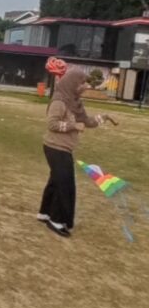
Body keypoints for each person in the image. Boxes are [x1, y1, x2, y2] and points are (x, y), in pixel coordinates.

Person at [39, 62, 114, 237]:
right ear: (72, 83)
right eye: (82, 83)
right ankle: (56, 221)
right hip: (54, 148)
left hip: (64, 148)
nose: (84, 87)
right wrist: (73, 126)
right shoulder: (59, 101)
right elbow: (52, 124)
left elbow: (86, 122)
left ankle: (44, 213)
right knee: (65, 185)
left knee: (55, 181)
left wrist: (105, 117)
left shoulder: (75, 102)